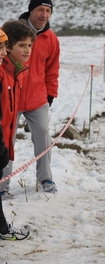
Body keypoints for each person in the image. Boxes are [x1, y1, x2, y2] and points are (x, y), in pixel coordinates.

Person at [0, 0, 60, 197]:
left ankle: (46, 178)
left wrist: (50, 95)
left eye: (48, 10)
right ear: (31, 11)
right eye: (40, 10)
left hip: (37, 98)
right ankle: (2, 184)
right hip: (10, 96)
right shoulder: (10, 32)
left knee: (43, 134)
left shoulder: (51, 39)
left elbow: (52, 70)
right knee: (6, 140)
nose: (44, 14)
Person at [0, 22, 35, 240]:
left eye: (30, 45)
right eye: (22, 45)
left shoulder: (13, 72)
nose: (27, 50)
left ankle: (2, 229)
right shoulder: (3, 73)